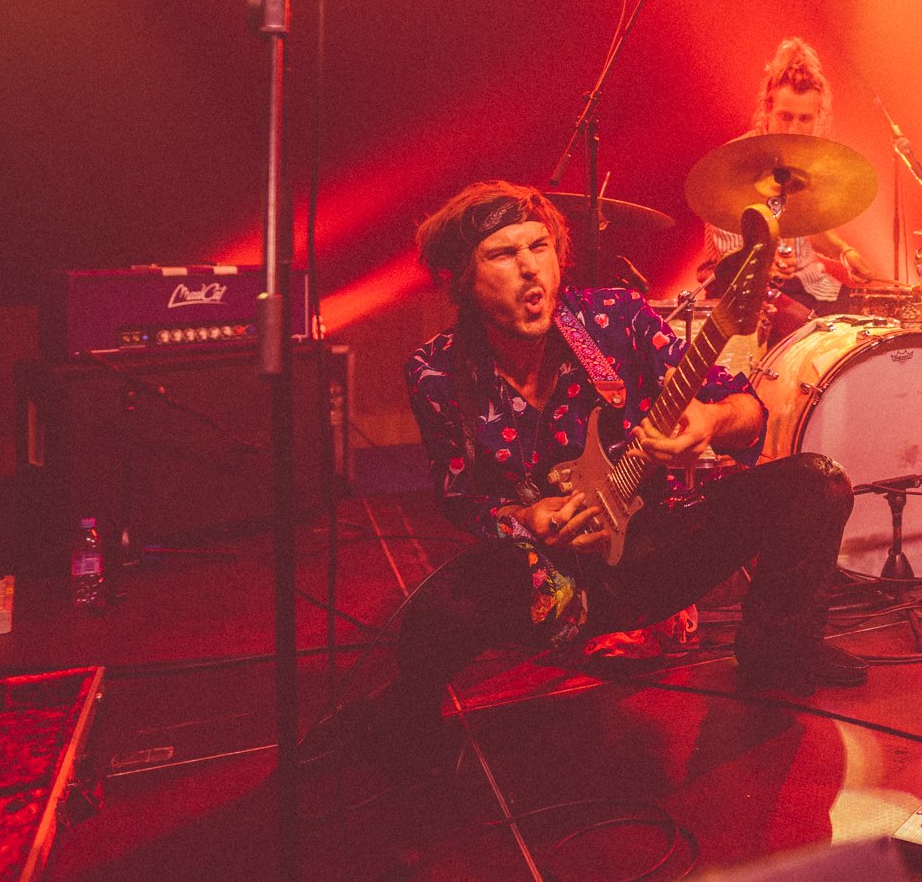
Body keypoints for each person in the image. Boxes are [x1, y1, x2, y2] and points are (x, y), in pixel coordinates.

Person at [369, 181, 864, 764]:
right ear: (460, 280)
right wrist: (524, 516)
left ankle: (778, 653)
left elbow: (748, 410)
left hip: (659, 551)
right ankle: (408, 720)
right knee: (442, 607)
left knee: (817, 482)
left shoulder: (613, 320)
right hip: (555, 580)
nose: (530, 269)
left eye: (540, 247)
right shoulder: (435, 372)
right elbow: (460, 498)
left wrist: (710, 419)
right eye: (503, 254)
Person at [697, 38, 877, 339]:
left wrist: (845, 252)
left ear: (818, 118)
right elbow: (731, 262)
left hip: (810, 287)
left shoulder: (810, 163)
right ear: (767, 110)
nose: (794, 129)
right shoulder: (732, 166)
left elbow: (812, 227)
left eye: (805, 119)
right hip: (744, 294)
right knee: (815, 331)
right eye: (785, 116)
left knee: (870, 324)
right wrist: (766, 265)